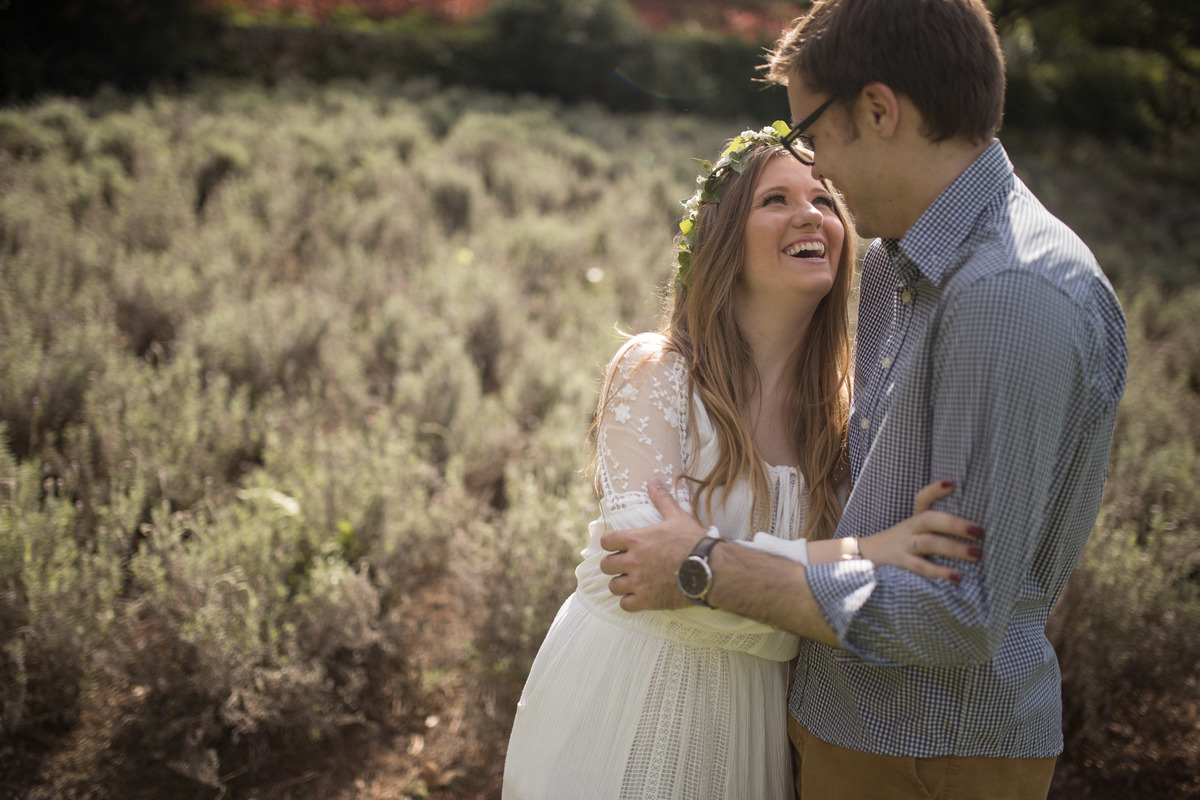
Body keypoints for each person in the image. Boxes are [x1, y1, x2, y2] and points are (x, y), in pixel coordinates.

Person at [600, 1, 1129, 798]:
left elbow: (957, 610)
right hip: (827, 727)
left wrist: (709, 569)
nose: (814, 168)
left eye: (810, 133)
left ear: (879, 109)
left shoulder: (1010, 295)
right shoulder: (893, 265)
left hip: (927, 752)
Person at [502, 125, 983, 799]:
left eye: (823, 197)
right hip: (622, 704)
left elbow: (708, 572)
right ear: (725, 237)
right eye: (776, 200)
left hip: (752, 727)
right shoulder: (659, 372)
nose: (810, 213)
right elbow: (647, 572)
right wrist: (867, 552)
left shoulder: (843, 418)